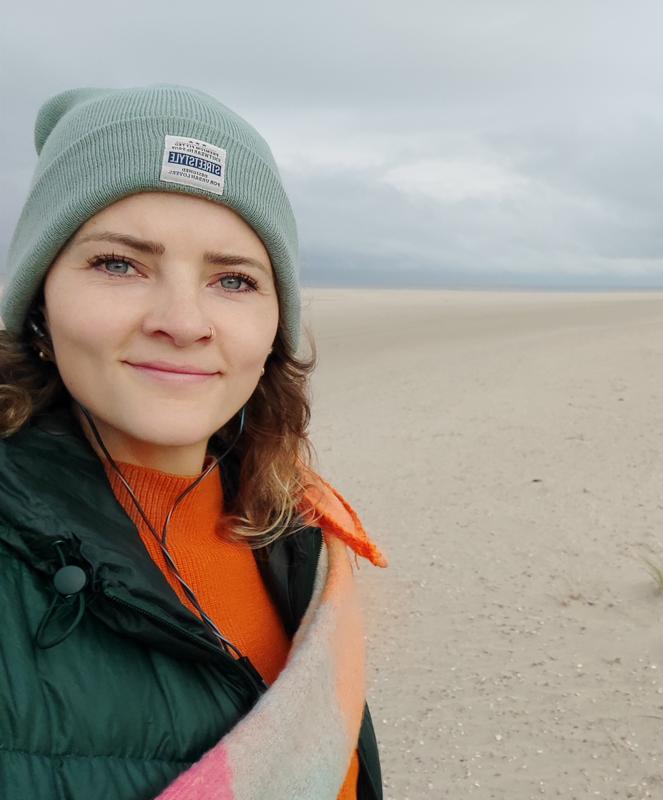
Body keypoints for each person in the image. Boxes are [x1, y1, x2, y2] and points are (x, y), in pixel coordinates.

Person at [0, 85, 387, 800]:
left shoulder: (299, 528)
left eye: (233, 279)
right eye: (119, 264)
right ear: (39, 301)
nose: (183, 322)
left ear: (275, 325)